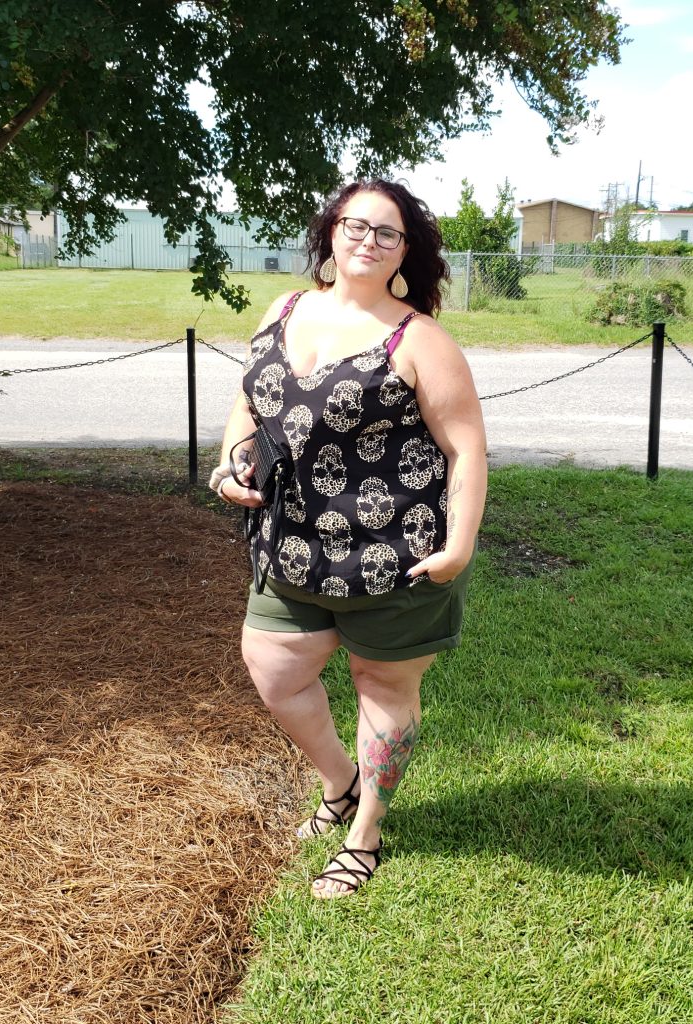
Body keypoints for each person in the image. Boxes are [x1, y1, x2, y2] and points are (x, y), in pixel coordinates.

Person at [210, 179, 487, 898]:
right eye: (355, 224)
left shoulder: (419, 339)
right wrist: (227, 460)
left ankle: (363, 833)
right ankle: (340, 782)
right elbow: (251, 397)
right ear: (330, 231)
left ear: (405, 250)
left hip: (395, 554)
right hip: (289, 543)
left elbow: (466, 450)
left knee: (381, 686)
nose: (368, 239)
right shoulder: (286, 308)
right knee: (273, 670)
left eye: (386, 232)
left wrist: (456, 548)